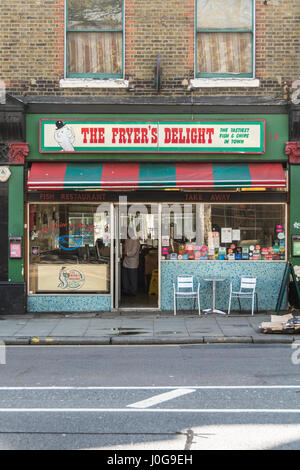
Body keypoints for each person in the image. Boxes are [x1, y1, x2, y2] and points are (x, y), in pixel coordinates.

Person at [122, 228, 140, 296]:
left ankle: (133, 291)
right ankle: (126, 290)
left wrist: (125, 254)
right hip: (126, 261)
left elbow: (133, 252)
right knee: (125, 277)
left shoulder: (135, 240)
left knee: (133, 278)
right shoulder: (127, 240)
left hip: (133, 262)